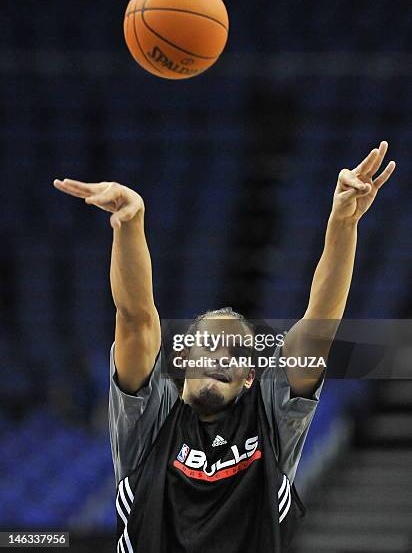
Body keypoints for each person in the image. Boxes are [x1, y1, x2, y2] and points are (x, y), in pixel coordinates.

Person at [54, 141, 395, 552]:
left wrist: (343, 223)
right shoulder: (148, 420)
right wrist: (132, 223)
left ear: (251, 378)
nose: (218, 354)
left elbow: (319, 325)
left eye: (234, 351)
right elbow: (136, 318)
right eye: (206, 345)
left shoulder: (272, 421)